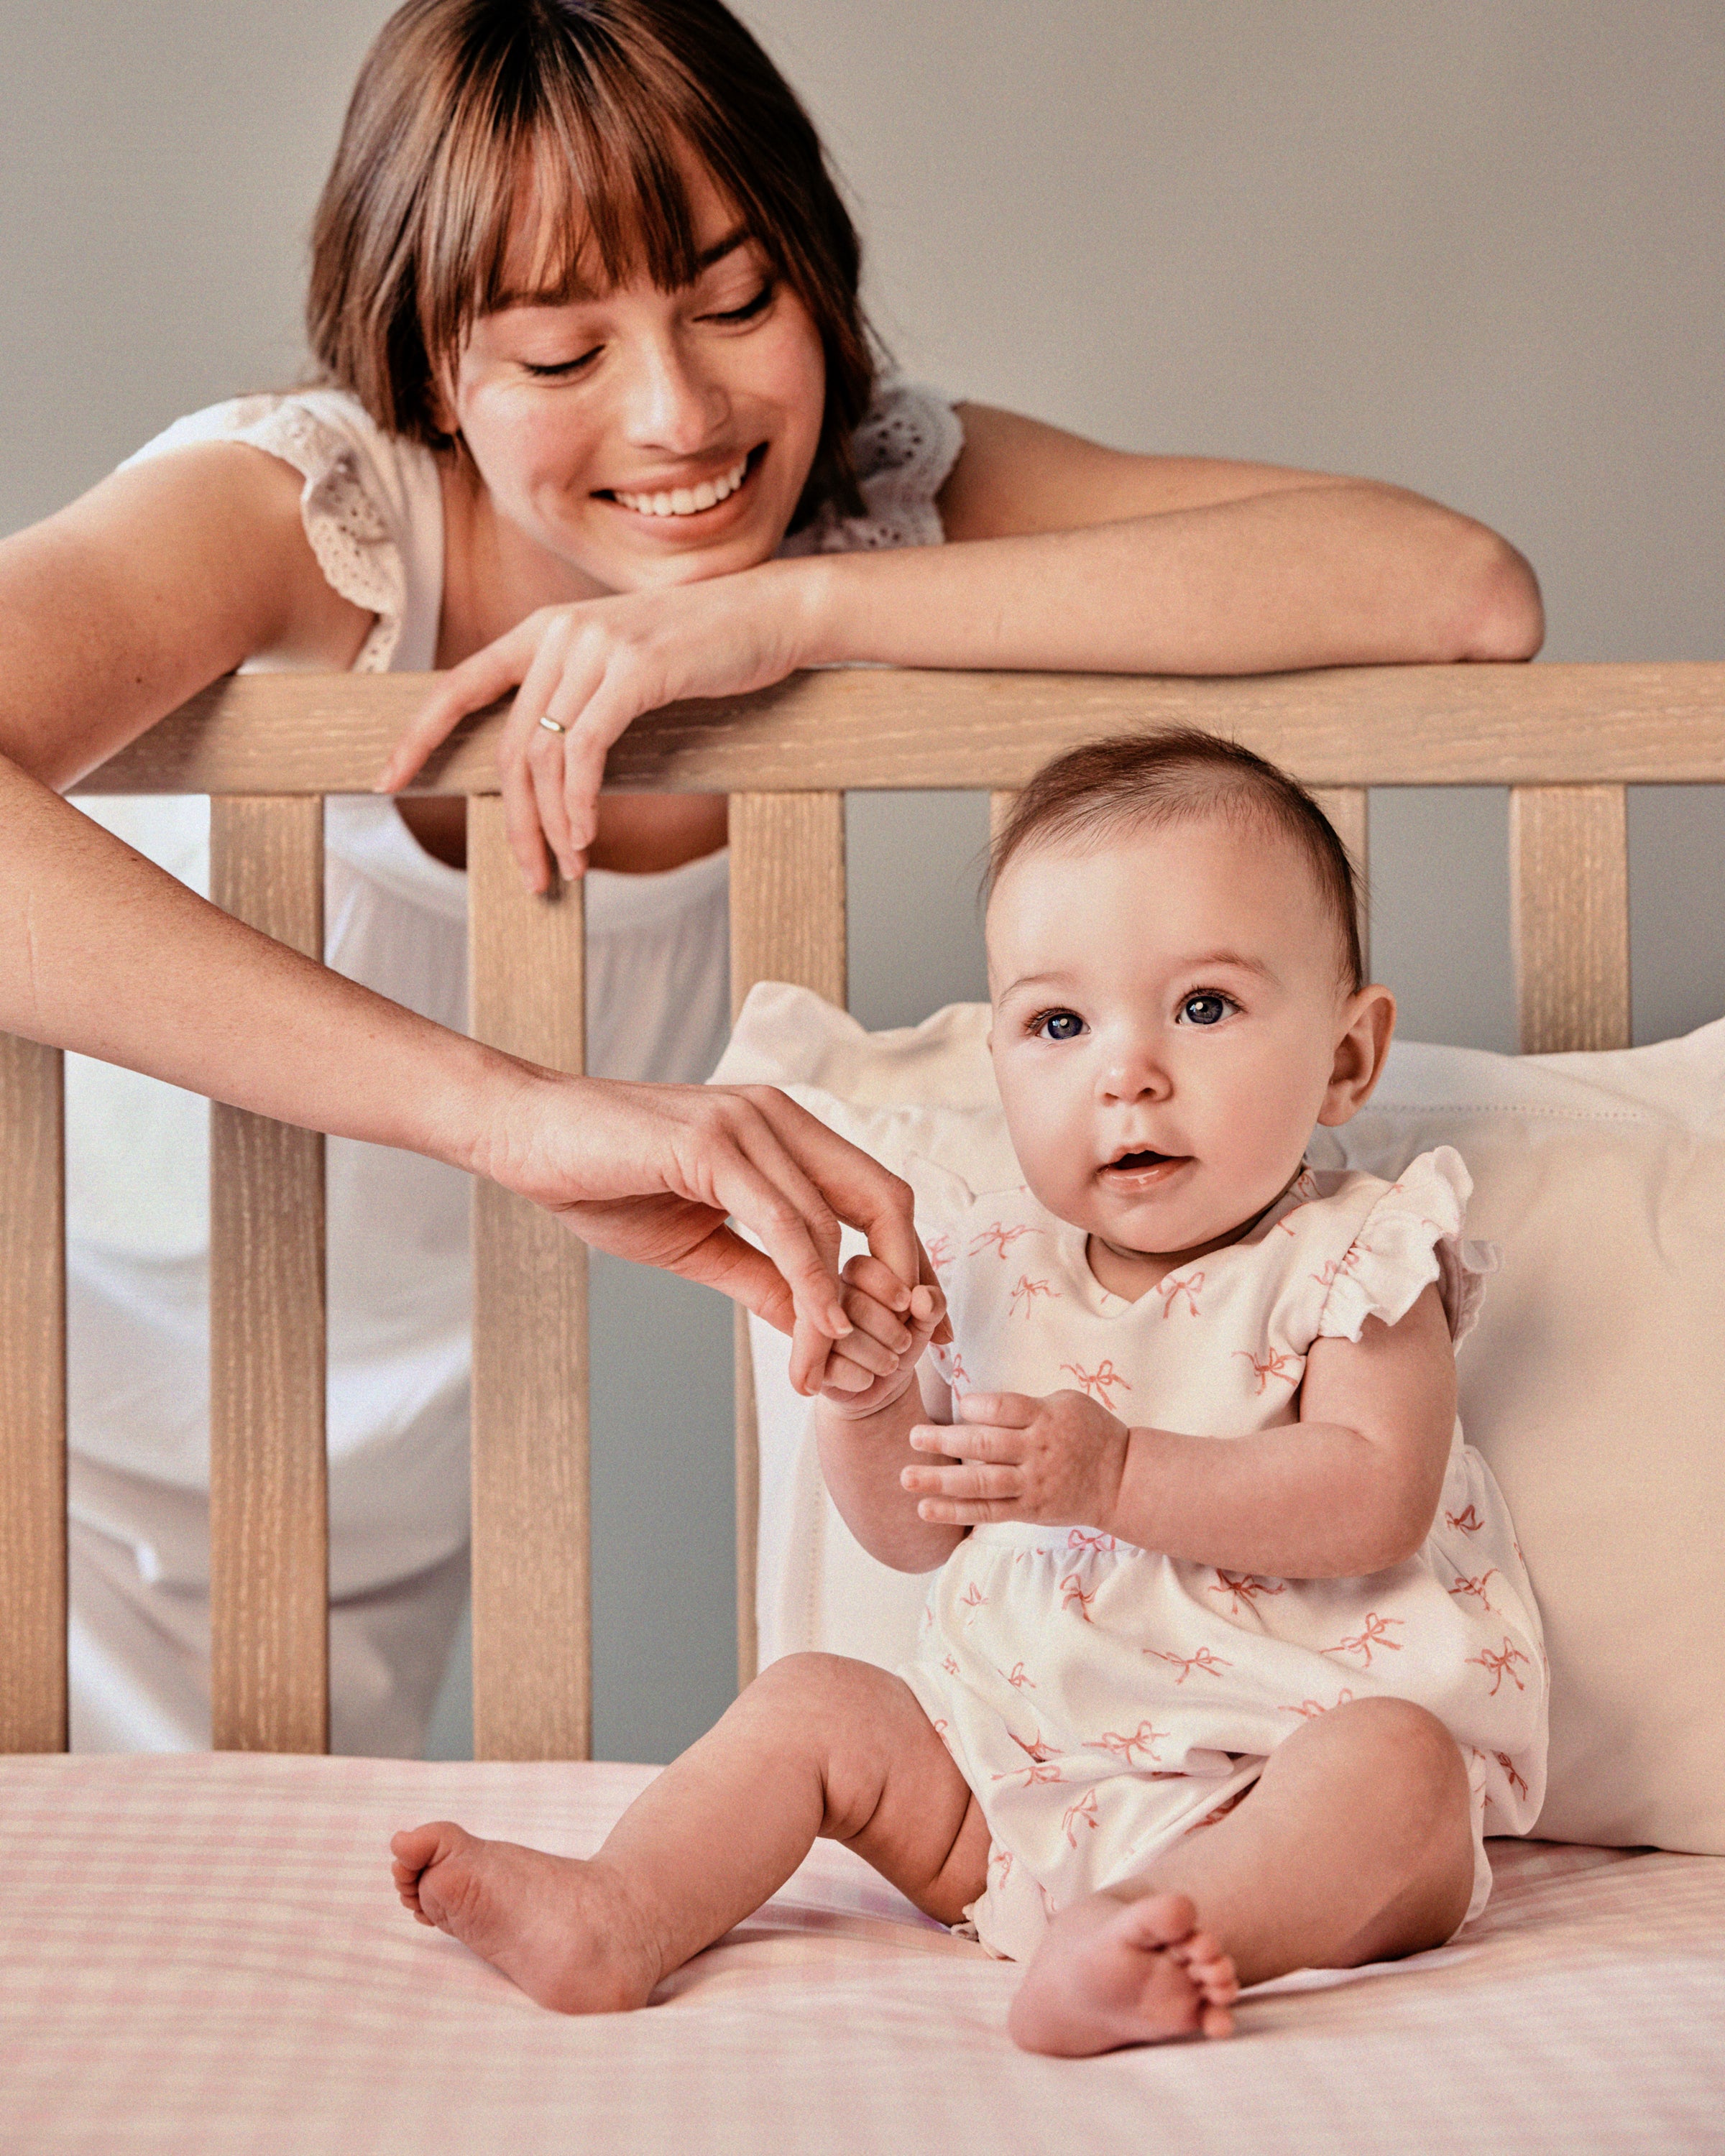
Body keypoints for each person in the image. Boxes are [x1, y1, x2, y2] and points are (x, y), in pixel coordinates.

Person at [1, 0, 1544, 1754]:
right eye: (561, 356)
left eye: (737, 304)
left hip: (361, 1489)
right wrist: (510, 1112)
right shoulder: (322, 511)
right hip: (47, 1403)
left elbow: (1463, 592)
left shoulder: (860, 500)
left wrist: (790, 610)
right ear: (431, 373)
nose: (678, 413)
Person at [389, 729, 1547, 2051]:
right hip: (1008, 1792)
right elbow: (909, 1529)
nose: (1127, 1072)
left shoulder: (1356, 1258)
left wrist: (1116, 1474)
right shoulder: (989, 1263)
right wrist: (871, 1401)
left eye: (1204, 1007)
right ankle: (620, 1909)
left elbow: (1376, 1496)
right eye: (1060, 1024)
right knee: (815, 1702)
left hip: (1286, 1773)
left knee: (1399, 1770)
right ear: (1000, 1058)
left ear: (1348, 1056)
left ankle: (1161, 1933)